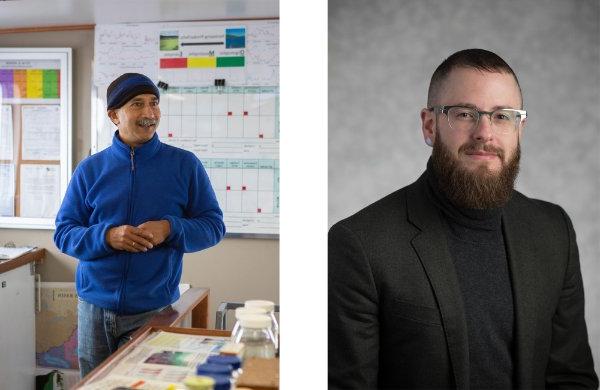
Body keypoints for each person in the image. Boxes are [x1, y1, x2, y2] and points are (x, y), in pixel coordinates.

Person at [328, 49, 598, 389]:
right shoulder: (361, 244)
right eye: (465, 114)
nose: (485, 132)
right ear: (429, 125)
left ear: (520, 129)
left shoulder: (553, 230)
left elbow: (570, 378)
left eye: (502, 116)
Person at [54, 73, 226, 378]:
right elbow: (64, 233)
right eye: (137, 104)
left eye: (154, 104)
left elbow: (213, 226)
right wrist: (107, 237)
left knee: (148, 385)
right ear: (114, 115)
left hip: (155, 310)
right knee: (95, 385)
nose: (149, 113)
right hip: (93, 309)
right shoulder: (90, 170)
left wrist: (170, 229)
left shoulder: (185, 165)